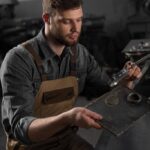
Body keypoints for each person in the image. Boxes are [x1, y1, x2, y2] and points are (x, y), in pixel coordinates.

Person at [0, 0, 141, 150]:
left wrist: (125, 83)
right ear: (47, 19)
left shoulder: (80, 55)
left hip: (65, 139)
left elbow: (107, 92)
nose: (76, 29)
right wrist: (68, 118)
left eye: (79, 20)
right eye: (67, 21)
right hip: (30, 146)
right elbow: (22, 129)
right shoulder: (19, 59)